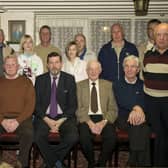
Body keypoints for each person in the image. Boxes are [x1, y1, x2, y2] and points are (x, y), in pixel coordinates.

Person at [34, 52, 78, 168]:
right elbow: (36, 105)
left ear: (61, 64)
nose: (54, 66)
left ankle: (50, 162)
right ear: (47, 65)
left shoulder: (69, 79)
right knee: (37, 136)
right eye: (51, 63)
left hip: (63, 117)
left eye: (57, 62)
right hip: (45, 116)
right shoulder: (40, 80)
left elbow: (73, 105)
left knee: (73, 136)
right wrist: (47, 120)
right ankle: (57, 163)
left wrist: (60, 121)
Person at [76, 60, 118, 168]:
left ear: (100, 70)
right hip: (86, 117)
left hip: (103, 117)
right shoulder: (79, 86)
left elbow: (113, 108)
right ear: (86, 71)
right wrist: (90, 123)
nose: (93, 72)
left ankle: (102, 162)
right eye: (90, 69)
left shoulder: (108, 85)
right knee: (83, 137)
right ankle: (91, 162)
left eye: (96, 69)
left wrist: (103, 123)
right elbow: (78, 108)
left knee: (111, 137)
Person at [113, 55, 151, 167]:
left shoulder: (143, 85)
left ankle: (134, 160)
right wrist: (137, 107)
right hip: (123, 118)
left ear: (138, 69)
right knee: (142, 127)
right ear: (123, 68)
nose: (129, 69)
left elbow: (147, 102)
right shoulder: (117, 84)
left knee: (141, 127)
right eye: (127, 66)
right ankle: (142, 163)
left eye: (133, 66)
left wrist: (139, 110)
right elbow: (122, 101)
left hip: (141, 117)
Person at [0, 55, 35, 168]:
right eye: (7, 65)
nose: (10, 67)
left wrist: (17, 121)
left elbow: (30, 105)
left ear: (18, 66)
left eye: (13, 64)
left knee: (28, 133)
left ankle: (21, 164)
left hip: (22, 118)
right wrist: (2, 120)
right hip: (1, 117)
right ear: (3, 67)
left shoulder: (26, 82)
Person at [143, 23, 168, 167]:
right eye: (159, 34)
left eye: (165, 35)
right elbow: (145, 76)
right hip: (151, 101)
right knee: (156, 135)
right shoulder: (148, 54)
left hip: (167, 101)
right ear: (154, 36)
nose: (162, 38)